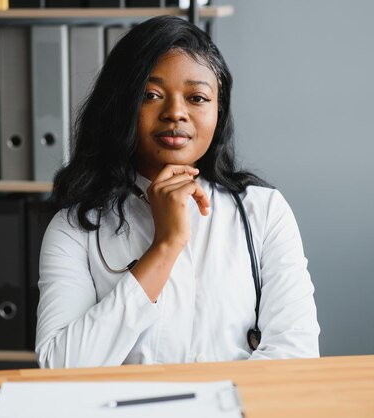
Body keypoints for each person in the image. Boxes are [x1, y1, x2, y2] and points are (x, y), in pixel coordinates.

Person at [35, 15, 320, 368]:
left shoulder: (264, 211)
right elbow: (60, 367)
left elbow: (296, 356)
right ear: (120, 105)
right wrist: (164, 247)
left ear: (219, 110)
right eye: (151, 95)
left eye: (197, 97)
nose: (175, 113)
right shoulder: (75, 228)